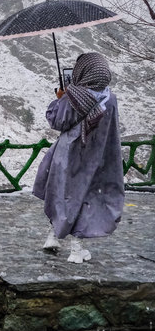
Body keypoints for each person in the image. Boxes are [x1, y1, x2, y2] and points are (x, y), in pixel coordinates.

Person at [33, 52, 124, 264]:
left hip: (66, 155)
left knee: (59, 193)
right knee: (84, 198)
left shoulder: (74, 96)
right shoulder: (110, 99)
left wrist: (60, 100)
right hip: (94, 157)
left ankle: (53, 236)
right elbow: (111, 131)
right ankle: (76, 248)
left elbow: (57, 121)